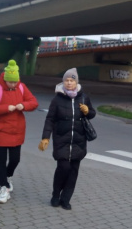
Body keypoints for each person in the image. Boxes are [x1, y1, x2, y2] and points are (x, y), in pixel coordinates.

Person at [39, 68, 96, 210]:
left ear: (76, 82)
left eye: (72, 80)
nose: (69, 83)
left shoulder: (83, 98)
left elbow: (92, 113)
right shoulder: (57, 99)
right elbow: (50, 119)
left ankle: (66, 199)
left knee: (73, 171)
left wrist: (87, 111)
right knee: (63, 167)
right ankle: (55, 195)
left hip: (78, 140)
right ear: (63, 82)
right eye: (67, 80)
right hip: (61, 140)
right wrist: (46, 137)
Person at [0, 59, 38, 204]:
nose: (13, 85)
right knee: (1, 160)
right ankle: (4, 187)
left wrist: (24, 105)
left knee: (15, 159)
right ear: (5, 79)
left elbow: (34, 102)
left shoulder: (22, 87)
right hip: (0, 131)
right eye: (10, 82)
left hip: (16, 131)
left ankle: (7, 177)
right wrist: (5, 108)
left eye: (15, 82)